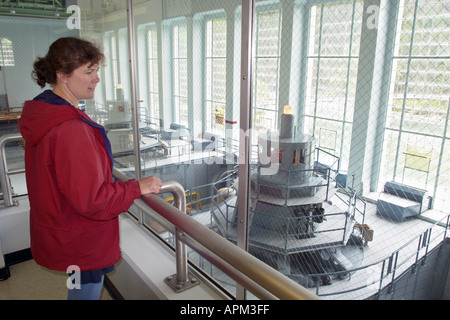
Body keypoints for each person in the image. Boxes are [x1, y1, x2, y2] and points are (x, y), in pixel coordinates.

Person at [18, 37, 162, 300]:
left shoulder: (45, 113)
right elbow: (93, 201)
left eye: (96, 71)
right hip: (81, 238)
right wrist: (136, 187)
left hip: (64, 229)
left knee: (78, 286)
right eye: (88, 72)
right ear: (62, 76)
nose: (96, 79)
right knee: (85, 291)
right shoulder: (71, 129)